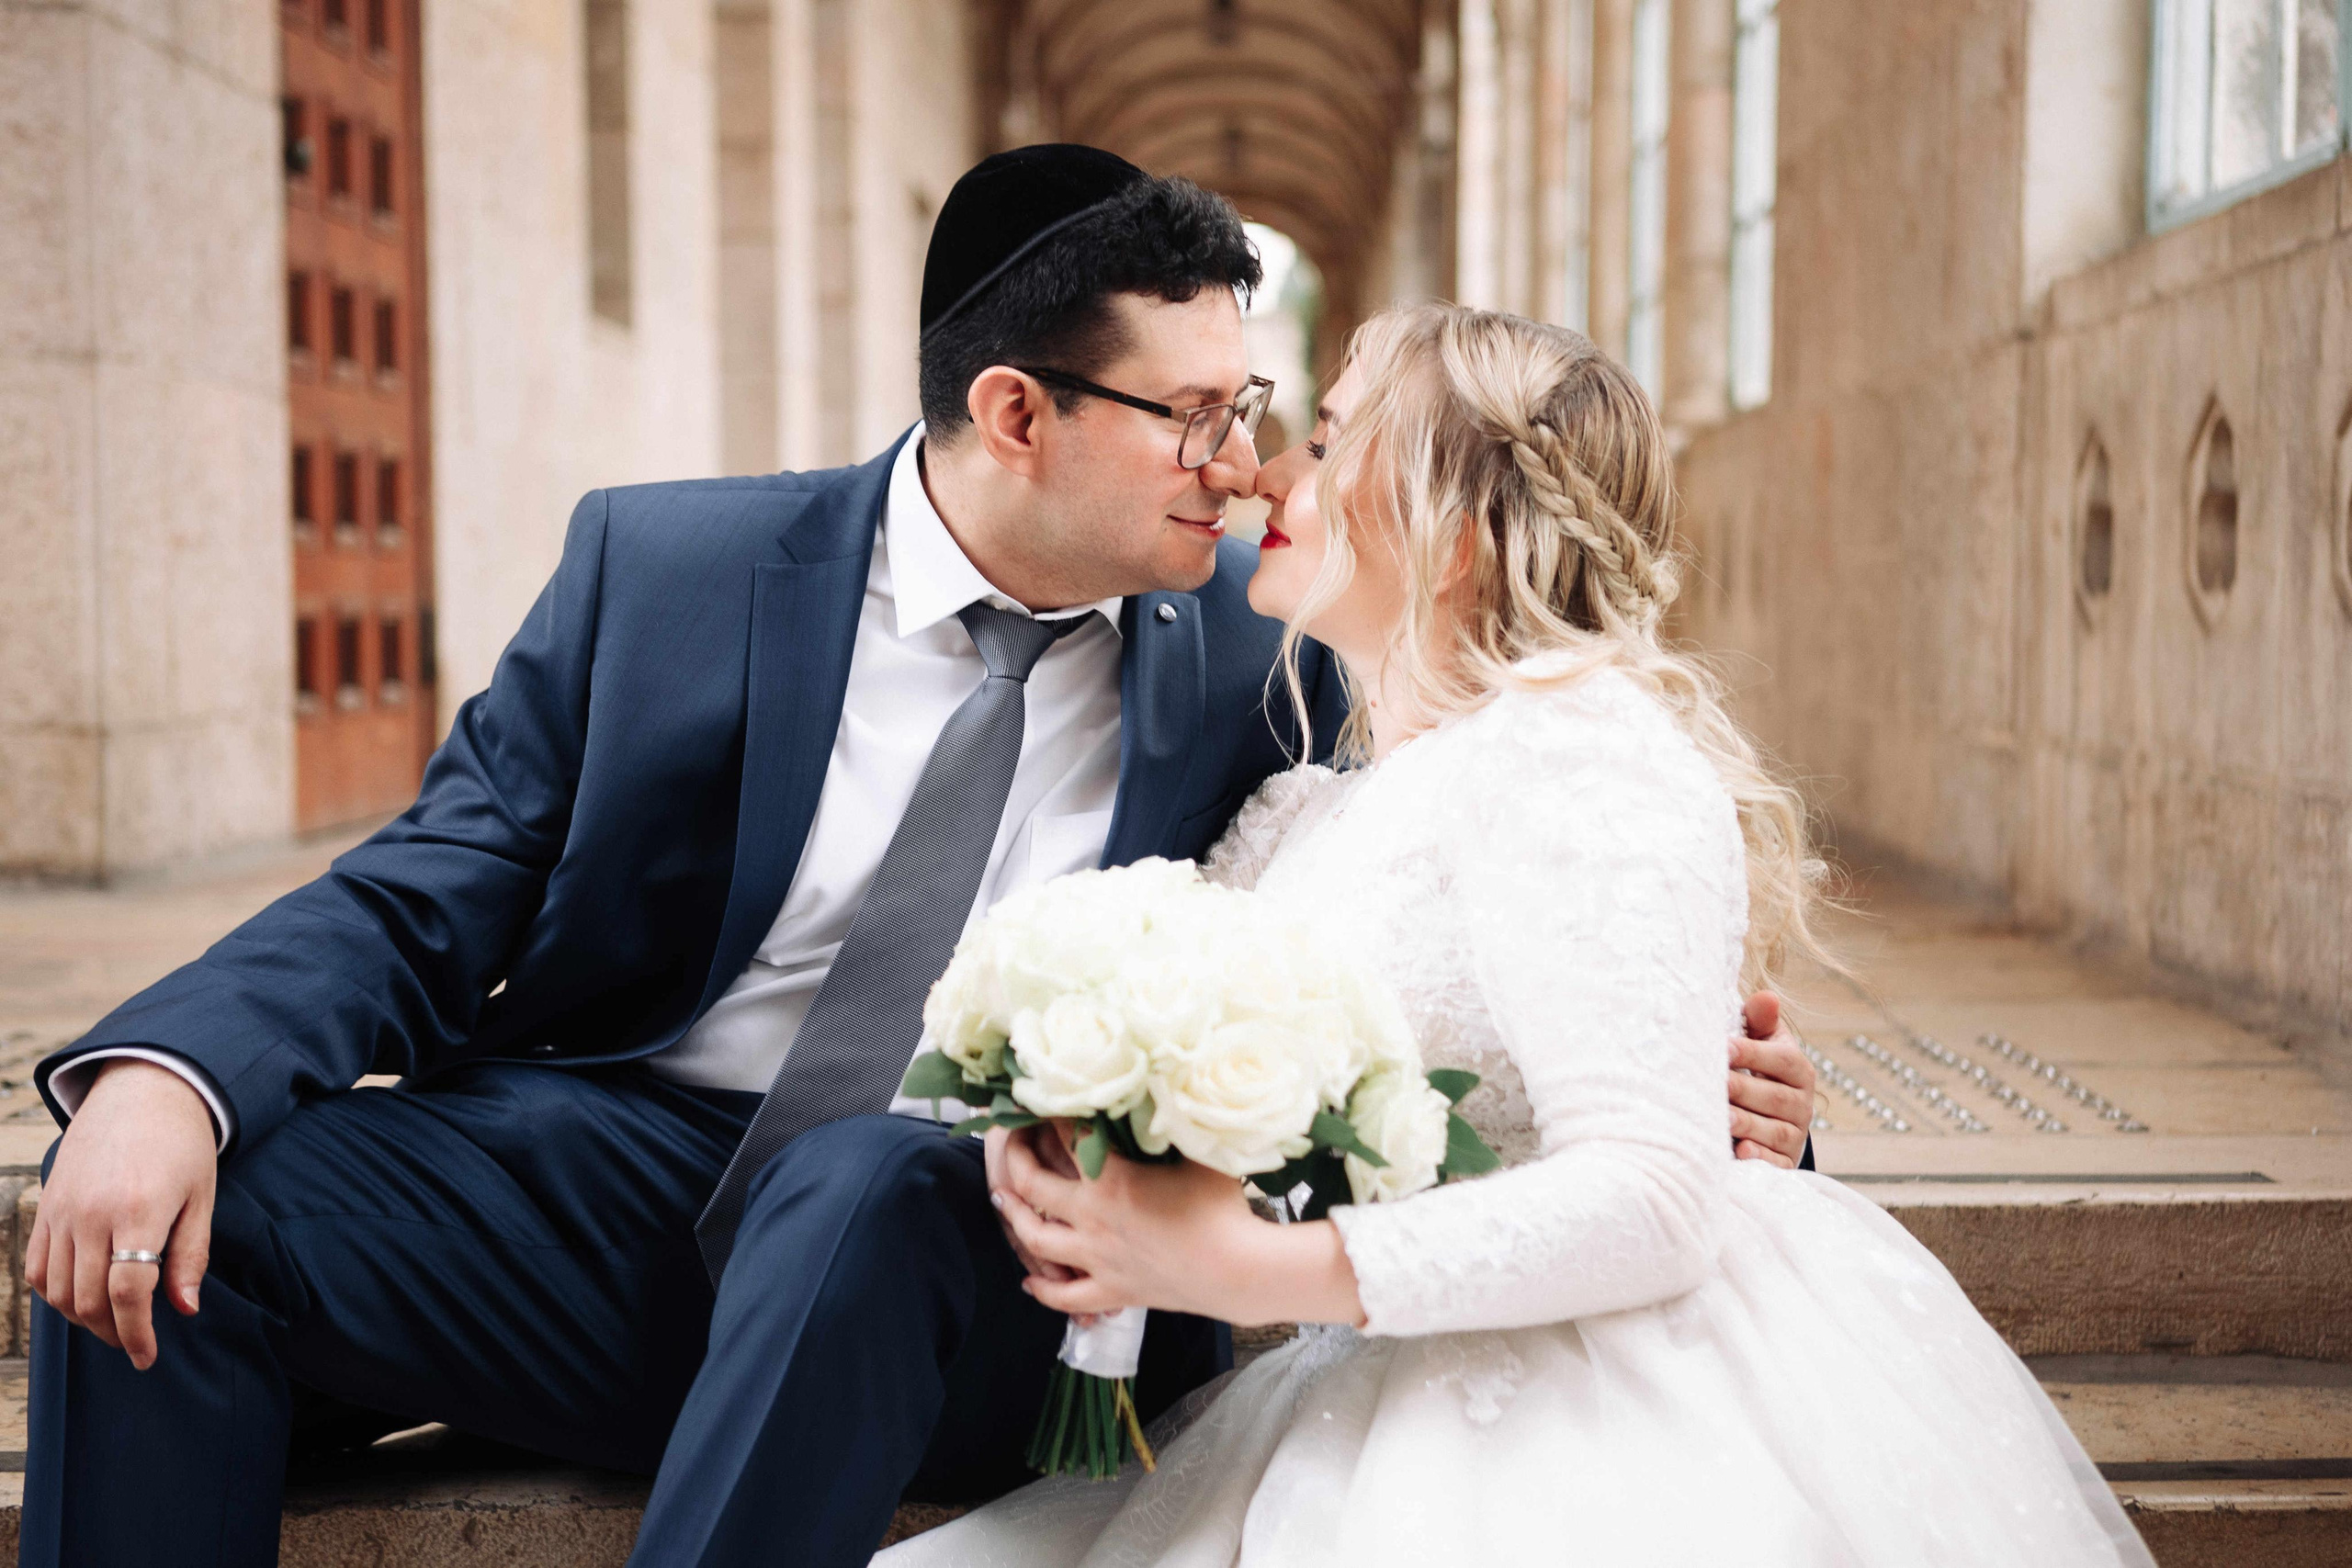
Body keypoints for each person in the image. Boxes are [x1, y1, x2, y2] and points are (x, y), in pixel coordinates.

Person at [19, 150, 1816, 1568]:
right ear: (1018, 413)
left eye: (1258, 401)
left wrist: (1730, 1091)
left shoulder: (1257, 672)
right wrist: (171, 1073)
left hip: (996, 1282)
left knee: (865, 1184)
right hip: (634, 1195)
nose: (1249, 463)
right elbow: (432, 882)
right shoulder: (671, 574)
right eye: (1197, 414)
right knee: (176, 1197)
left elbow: (1531, 904)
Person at [884, 305, 2155, 1567]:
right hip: (1402, 1365)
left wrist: (1244, 1270)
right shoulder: (1318, 809)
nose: (1268, 473)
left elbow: (1657, 1196)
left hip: (1617, 1402)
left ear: (1452, 537)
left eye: (1324, 440)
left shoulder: (1578, 753)